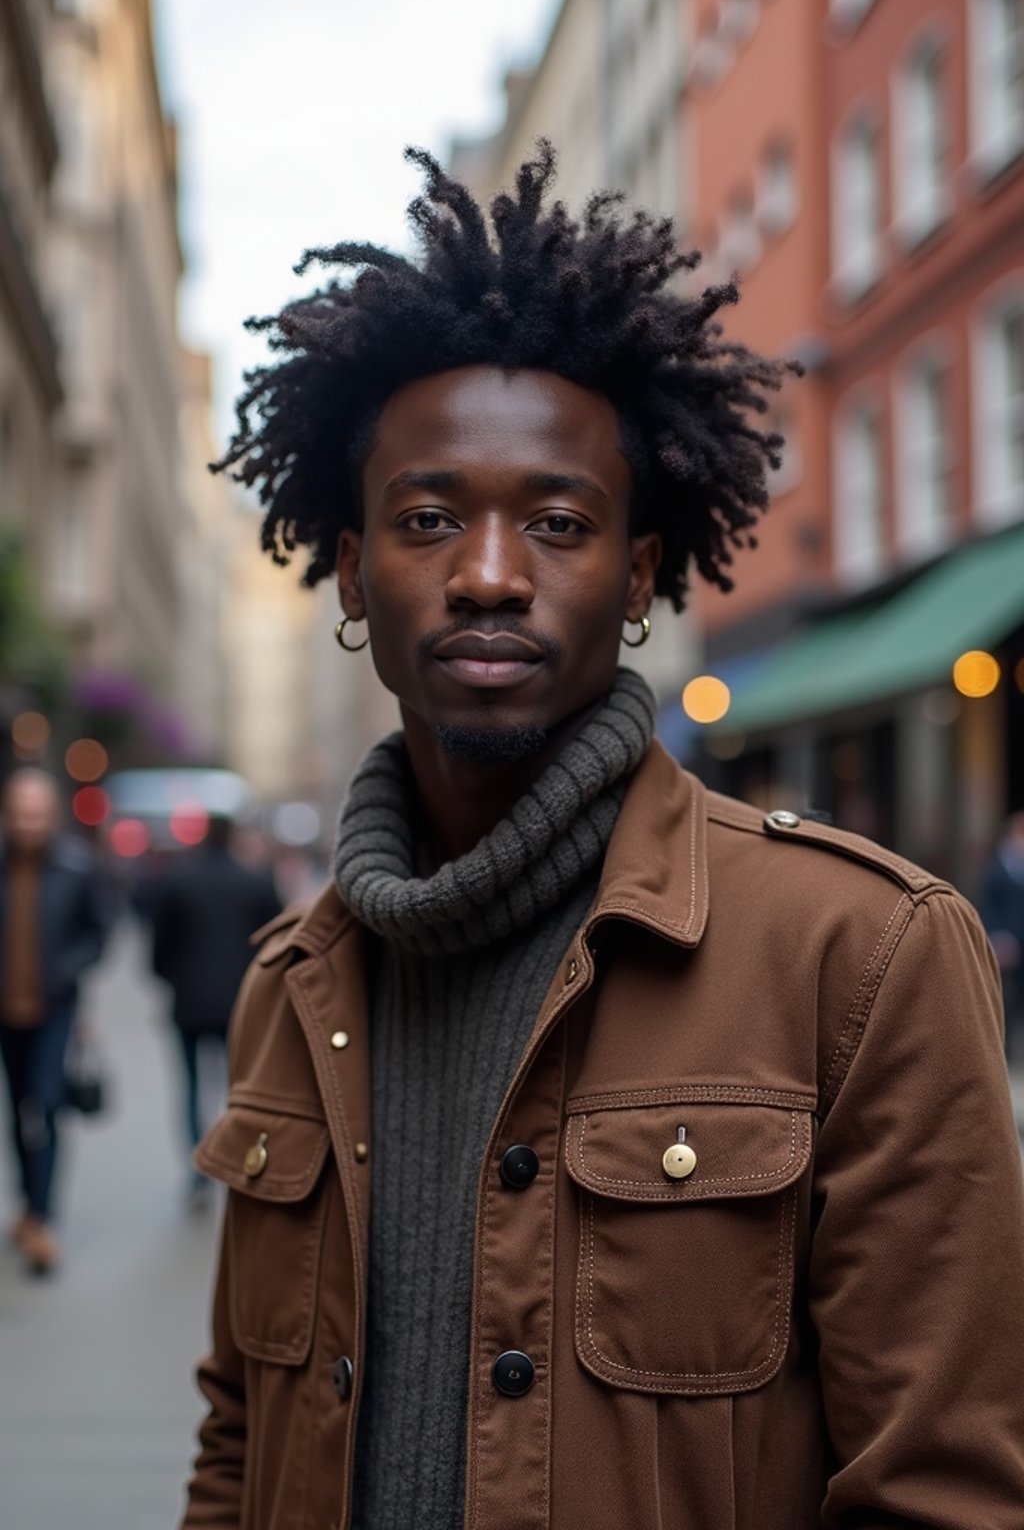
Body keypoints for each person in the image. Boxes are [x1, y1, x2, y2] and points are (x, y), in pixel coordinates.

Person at [182, 148, 1024, 1530]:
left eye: (559, 523)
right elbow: (240, 1443)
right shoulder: (292, 986)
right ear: (350, 570)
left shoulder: (861, 956)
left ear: (640, 576)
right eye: (430, 517)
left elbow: (945, 1490)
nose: (492, 572)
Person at [0, 768, 109, 1273]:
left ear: (53, 814)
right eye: (21, 811)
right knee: (18, 1107)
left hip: (54, 1009)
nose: (29, 822)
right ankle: (28, 1201)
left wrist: (68, 971)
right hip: (7, 1012)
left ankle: (42, 1217)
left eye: (37, 812)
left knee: (44, 1106)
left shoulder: (78, 867)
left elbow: (99, 932)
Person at [149, 814, 280, 1204]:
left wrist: (173, 978)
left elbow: (158, 948)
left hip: (189, 1003)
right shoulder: (254, 881)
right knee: (239, 1089)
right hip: (240, 1004)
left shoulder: (178, 881)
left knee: (190, 1088)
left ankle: (200, 1170)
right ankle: (240, 1162)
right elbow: (276, 939)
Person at [978, 809, 1024, 1062]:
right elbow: (988, 906)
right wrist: (997, 937)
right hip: (1006, 945)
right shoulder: (997, 869)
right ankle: (1004, 1053)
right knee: (1005, 1000)